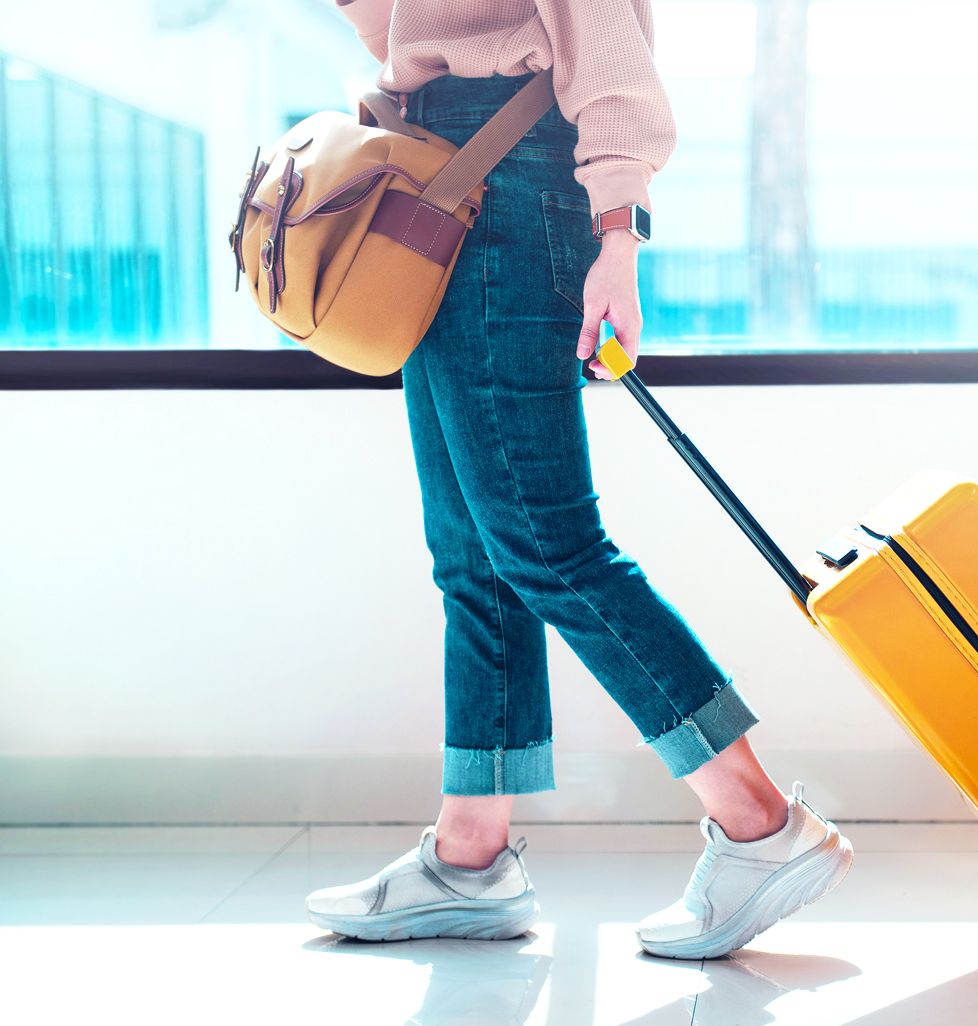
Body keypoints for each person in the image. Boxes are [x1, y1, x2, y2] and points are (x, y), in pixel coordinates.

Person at [304, 0, 854, 958]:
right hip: (435, 169)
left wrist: (618, 237)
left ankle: (760, 822)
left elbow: (609, 51)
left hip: (510, 176)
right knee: (474, 556)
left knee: (547, 543)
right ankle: (469, 855)